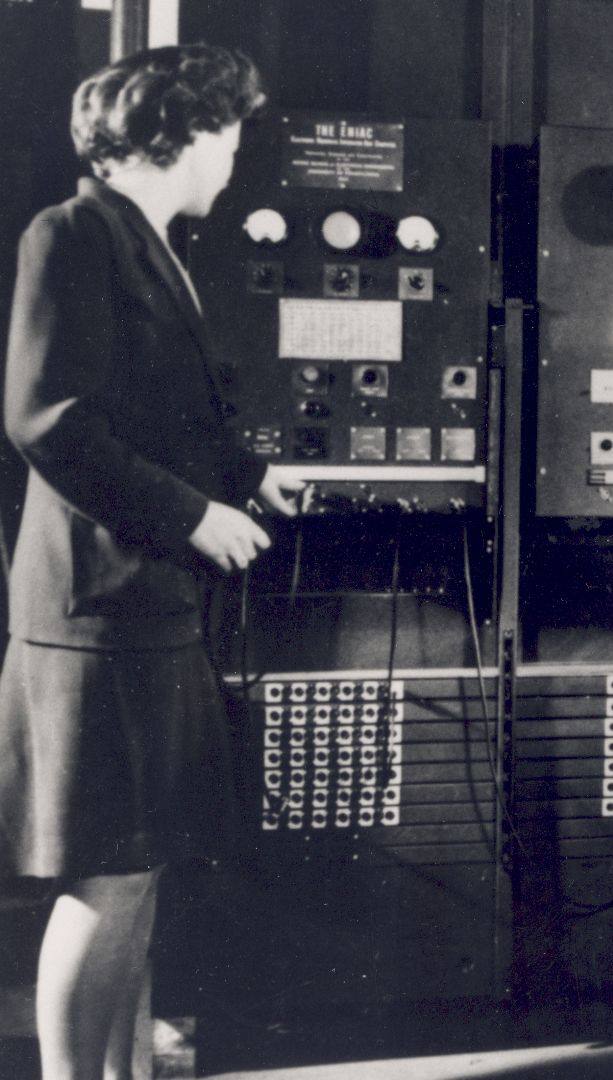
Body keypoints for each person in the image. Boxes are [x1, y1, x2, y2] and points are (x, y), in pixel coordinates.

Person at [0, 44, 304, 1080]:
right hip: (100, 612)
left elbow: (155, 412)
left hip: (145, 610)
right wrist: (194, 519)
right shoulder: (74, 234)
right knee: (110, 879)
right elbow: (51, 417)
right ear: (177, 134)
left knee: (140, 872)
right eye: (226, 135)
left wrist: (248, 480)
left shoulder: (149, 242)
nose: (232, 159)